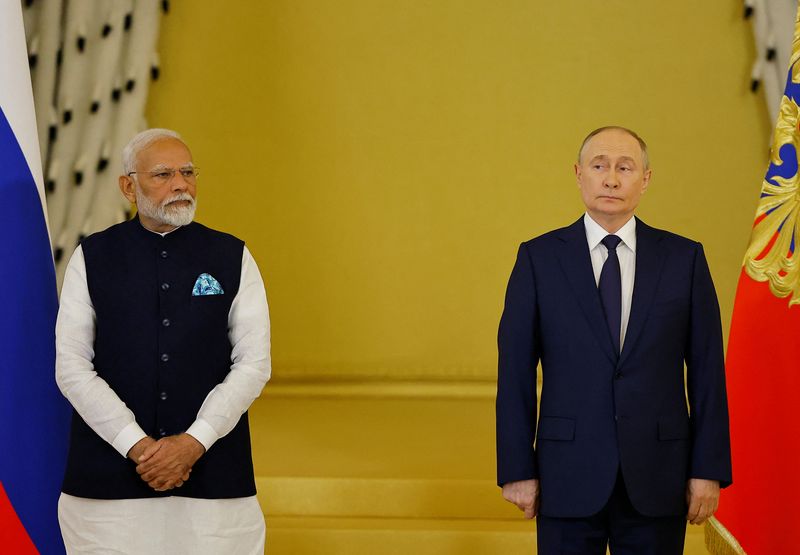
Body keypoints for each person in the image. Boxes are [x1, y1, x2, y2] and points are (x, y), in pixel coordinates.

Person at [496, 126, 731, 554]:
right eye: (599, 165)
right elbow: (513, 370)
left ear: (645, 179)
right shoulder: (539, 258)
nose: (611, 179)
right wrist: (516, 467)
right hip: (566, 473)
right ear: (578, 173)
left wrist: (707, 468)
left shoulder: (684, 259)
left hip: (659, 474)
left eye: (625, 167)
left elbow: (708, 371)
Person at [55, 128, 270, 554]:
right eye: (163, 174)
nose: (180, 184)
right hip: (108, 481)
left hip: (212, 477)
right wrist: (137, 446)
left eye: (188, 172)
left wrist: (193, 443)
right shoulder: (93, 257)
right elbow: (72, 367)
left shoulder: (231, 255)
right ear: (128, 186)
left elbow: (253, 364)